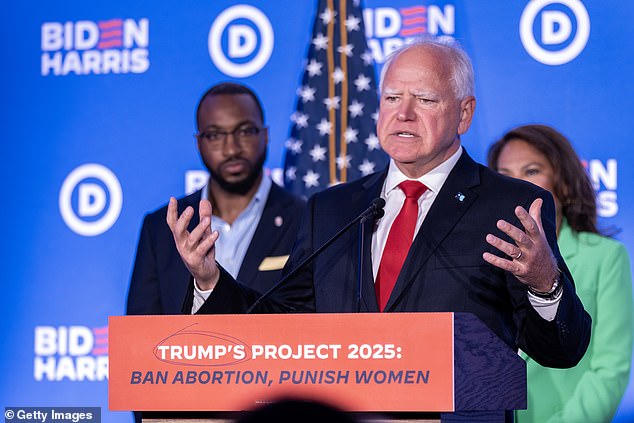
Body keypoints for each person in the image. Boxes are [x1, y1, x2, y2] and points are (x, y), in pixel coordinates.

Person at [167, 37, 591, 419]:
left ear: (464, 113)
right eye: (391, 98)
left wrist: (544, 284)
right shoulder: (331, 210)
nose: (403, 114)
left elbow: (560, 350)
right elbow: (278, 326)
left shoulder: (508, 205)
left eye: (424, 100)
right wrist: (209, 280)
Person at [488, 124, 633, 423]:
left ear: (564, 184)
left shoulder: (605, 257)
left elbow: (610, 369)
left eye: (530, 171)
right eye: (504, 174)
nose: (516, 185)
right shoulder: (485, 258)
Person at [127, 82, 305, 315]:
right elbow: (142, 336)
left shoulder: (304, 220)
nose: (232, 149)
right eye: (215, 135)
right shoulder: (160, 228)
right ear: (199, 143)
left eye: (245, 131)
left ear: (266, 135)